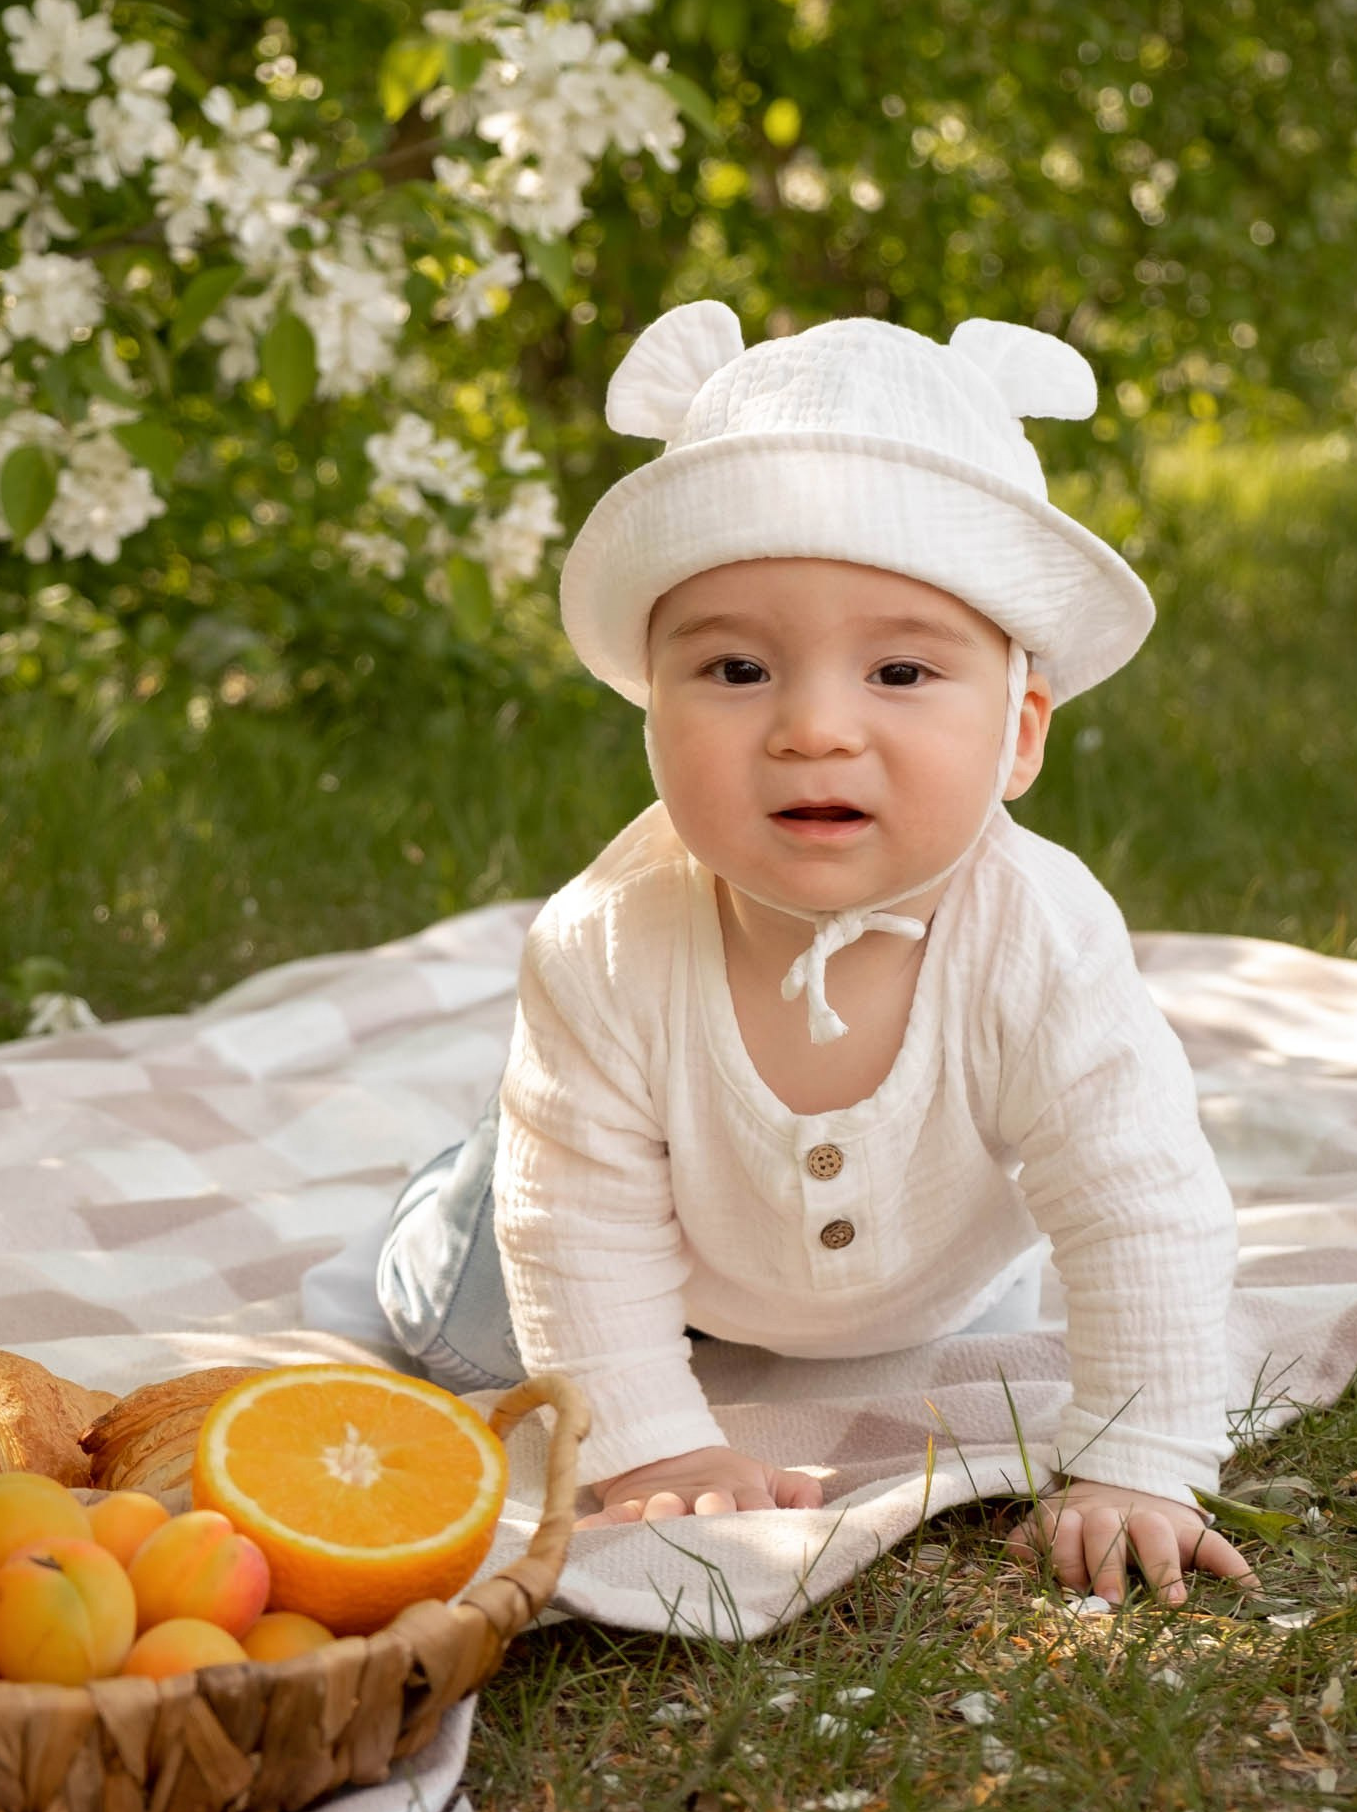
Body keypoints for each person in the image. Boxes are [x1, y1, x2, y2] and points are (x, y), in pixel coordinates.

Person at [377, 301, 1252, 1606]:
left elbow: (1141, 1203)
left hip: (909, 1275)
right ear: (650, 711)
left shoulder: (1043, 938)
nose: (813, 728)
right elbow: (577, 1224)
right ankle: (461, 1178)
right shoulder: (606, 940)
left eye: (901, 672)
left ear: (1021, 733)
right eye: (736, 669)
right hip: (601, 1230)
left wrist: (1137, 1458)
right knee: (467, 1322)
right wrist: (655, 1443)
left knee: (996, 1295)